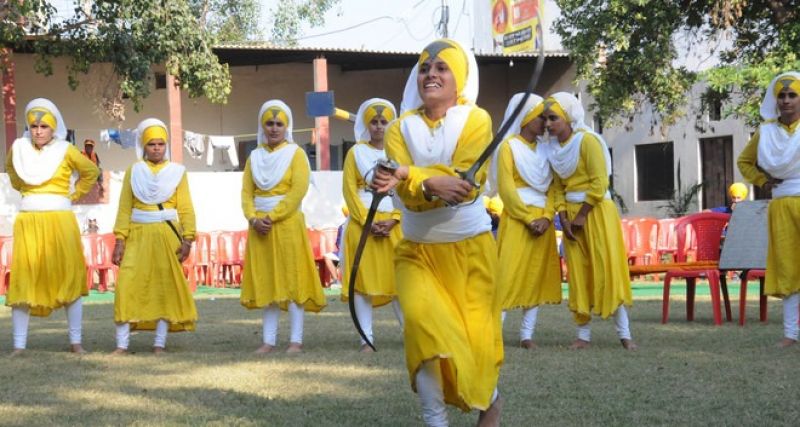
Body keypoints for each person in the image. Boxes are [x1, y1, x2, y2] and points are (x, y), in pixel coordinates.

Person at [372, 39, 503, 426]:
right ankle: (435, 419)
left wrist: (413, 176)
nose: (431, 74)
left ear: (459, 77)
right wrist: (429, 185)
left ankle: (490, 401)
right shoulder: (399, 128)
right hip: (417, 254)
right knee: (424, 332)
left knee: (473, 348)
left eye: (441, 67)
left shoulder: (477, 121)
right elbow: (410, 198)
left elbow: (466, 183)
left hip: (472, 254)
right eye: (425, 68)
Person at [4, 98, 99, 355]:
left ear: (53, 128)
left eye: (44, 126)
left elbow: (90, 171)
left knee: (68, 275)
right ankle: (19, 345)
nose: (38, 131)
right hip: (29, 220)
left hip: (60, 219)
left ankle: (75, 342)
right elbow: (11, 172)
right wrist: (27, 190)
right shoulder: (19, 148)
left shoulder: (65, 150)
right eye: (33, 126)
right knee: (24, 278)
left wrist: (74, 194)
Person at [544, 92, 637, 351]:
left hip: (595, 212)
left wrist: (582, 215)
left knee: (606, 269)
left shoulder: (588, 142)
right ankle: (582, 335)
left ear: (569, 117)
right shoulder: (553, 149)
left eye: (553, 118)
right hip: (572, 218)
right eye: (545, 119)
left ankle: (625, 334)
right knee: (578, 274)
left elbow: (599, 182)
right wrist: (564, 218)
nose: (548, 124)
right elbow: (558, 188)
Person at [240, 100, 326, 354]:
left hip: (287, 225)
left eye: (279, 124)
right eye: (270, 123)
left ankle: (295, 341)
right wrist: (254, 219)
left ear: (286, 126)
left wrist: (272, 216)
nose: (274, 128)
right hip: (260, 229)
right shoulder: (254, 157)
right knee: (268, 281)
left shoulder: (296, 154)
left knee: (293, 281)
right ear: (262, 126)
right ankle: (268, 341)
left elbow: (297, 190)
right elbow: (246, 193)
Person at [110, 118, 198, 355]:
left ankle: (159, 344)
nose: (157, 148)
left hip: (166, 235)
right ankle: (122, 345)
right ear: (144, 146)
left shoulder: (177, 172)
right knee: (127, 285)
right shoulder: (134, 171)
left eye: (161, 143)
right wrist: (120, 240)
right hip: (137, 235)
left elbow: (186, 208)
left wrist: (188, 239)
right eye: (152, 144)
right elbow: (124, 207)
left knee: (163, 288)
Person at [492, 92, 562, 350]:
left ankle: (526, 335)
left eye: (546, 117)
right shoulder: (508, 147)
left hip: (542, 220)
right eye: (540, 117)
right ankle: (494, 333)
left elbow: (555, 188)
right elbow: (507, 188)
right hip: (517, 220)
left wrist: (546, 217)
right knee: (506, 275)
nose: (545, 122)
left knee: (535, 276)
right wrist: (526, 218)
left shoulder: (548, 149)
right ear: (526, 117)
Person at [737, 71, 800, 348]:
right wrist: (763, 181)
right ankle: (790, 334)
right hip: (782, 203)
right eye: (782, 95)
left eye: (792, 95)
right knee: (788, 268)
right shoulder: (766, 132)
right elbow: (744, 161)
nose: (786, 101)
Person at [341, 98, 404, 352]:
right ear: (367, 124)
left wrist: (395, 219)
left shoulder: (400, 154)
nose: (379, 127)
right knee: (362, 284)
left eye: (383, 122)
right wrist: (366, 222)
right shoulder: (355, 152)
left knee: (402, 282)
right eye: (374, 122)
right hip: (362, 223)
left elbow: (406, 192)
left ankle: (412, 334)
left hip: (394, 223)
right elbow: (349, 191)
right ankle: (366, 338)